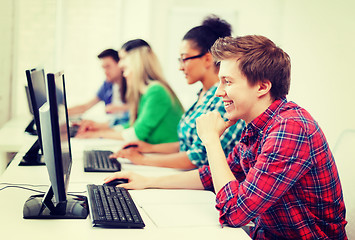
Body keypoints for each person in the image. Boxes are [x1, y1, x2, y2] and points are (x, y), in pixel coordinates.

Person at [104, 35, 348, 239]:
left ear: (262, 87)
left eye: (227, 82)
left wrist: (211, 140)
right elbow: (210, 176)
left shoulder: (290, 130)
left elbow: (235, 212)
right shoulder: (257, 124)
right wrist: (147, 181)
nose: (219, 92)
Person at [109, 15, 245, 170]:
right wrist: (150, 148)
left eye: (184, 59)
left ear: (207, 59)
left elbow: (196, 159)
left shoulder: (222, 100)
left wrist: (142, 159)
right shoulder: (203, 94)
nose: (181, 67)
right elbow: (186, 145)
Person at [76, 39, 184, 144]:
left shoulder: (156, 91)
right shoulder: (146, 92)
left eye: (123, 58)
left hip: (165, 156)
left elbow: (136, 134)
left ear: (136, 62)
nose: (120, 64)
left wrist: (98, 134)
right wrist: (98, 130)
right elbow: (131, 126)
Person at [68, 48, 129, 124]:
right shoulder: (107, 85)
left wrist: (120, 108)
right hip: (112, 125)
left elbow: (141, 108)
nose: (105, 72)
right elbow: (85, 106)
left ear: (119, 64)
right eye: (103, 68)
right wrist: (64, 112)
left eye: (108, 67)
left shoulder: (131, 82)